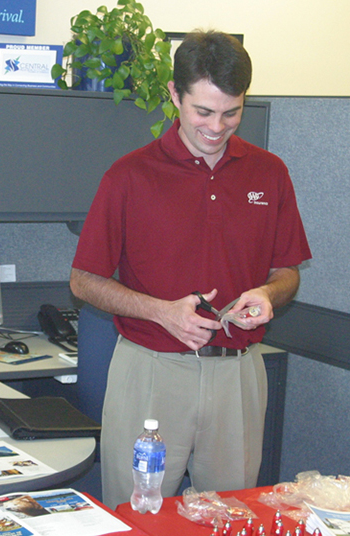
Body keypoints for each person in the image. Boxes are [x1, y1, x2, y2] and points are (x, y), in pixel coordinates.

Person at [69, 30, 311, 508]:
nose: (217, 127)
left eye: (231, 112)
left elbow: (288, 270)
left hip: (237, 376)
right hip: (151, 371)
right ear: (175, 96)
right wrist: (161, 312)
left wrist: (268, 295)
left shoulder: (270, 173)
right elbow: (84, 280)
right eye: (203, 111)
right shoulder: (130, 175)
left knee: (232, 514)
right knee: (137, 513)